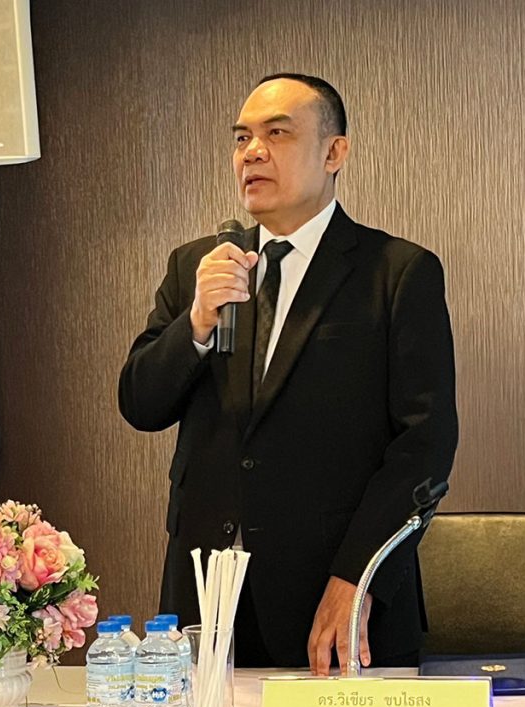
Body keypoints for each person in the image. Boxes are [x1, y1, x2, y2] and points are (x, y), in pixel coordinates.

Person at [118, 73, 457, 674]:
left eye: (277, 134)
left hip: (336, 598)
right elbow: (141, 404)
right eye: (242, 137)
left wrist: (358, 577)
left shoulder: (396, 272)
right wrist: (196, 322)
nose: (252, 152)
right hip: (207, 599)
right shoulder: (198, 266)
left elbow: (424, 445)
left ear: (334, 152)